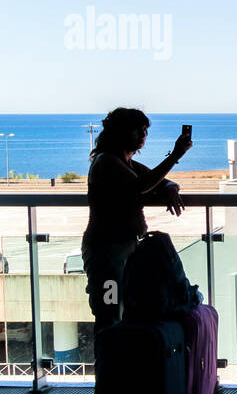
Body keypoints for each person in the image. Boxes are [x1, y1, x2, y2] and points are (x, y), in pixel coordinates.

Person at [81, 109, 192, 333]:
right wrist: (174, 156)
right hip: (107, 256)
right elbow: (141, 186)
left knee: (121, 313)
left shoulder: (125, 162)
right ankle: (108, 365)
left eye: (145, 131)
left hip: (122, 250)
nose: (143, 135)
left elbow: (160, 181)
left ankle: (116, 364)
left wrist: (171, 187)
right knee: (109, 314)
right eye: (138, 130)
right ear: (120, 132)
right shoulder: (107, 163)